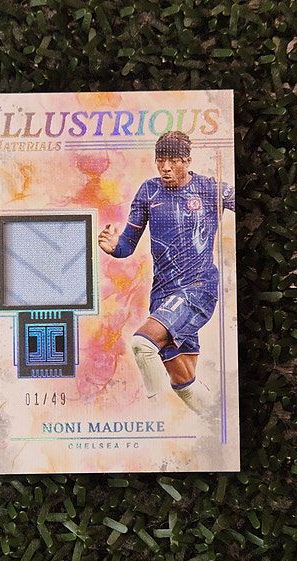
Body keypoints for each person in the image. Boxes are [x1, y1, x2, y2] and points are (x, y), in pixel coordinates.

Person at [98, 131, 235, 413]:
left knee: (142, 344)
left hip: (197, 289)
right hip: (163, 294)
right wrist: (113, 247)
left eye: (173, 161)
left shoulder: (209, 189)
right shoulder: (149, 192)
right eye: (160, 160)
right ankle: (215, 418)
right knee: (183, 381)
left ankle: (153, 415)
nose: (165, 167)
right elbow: (126, 245)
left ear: (187, 160)